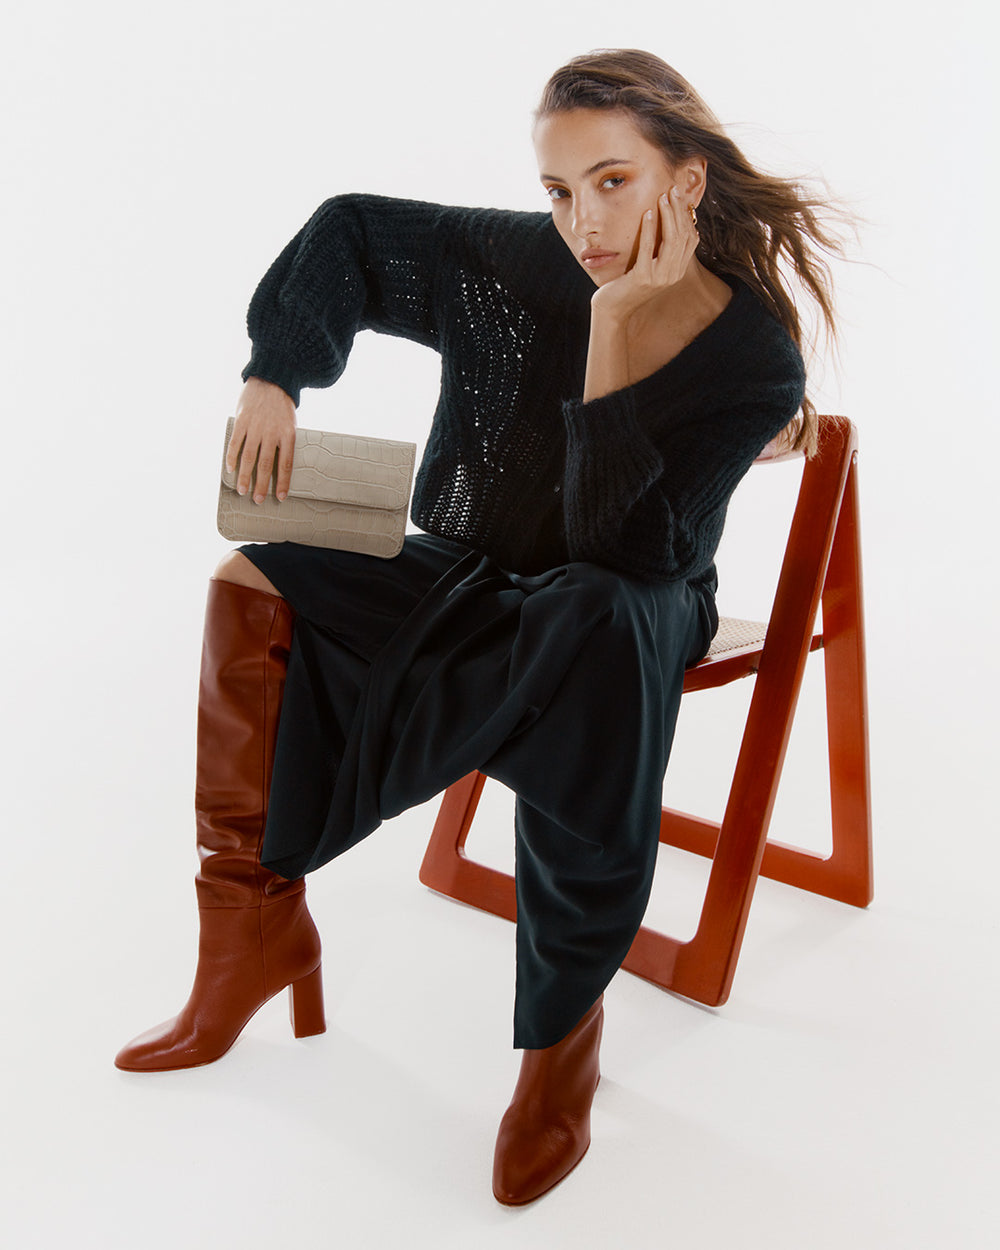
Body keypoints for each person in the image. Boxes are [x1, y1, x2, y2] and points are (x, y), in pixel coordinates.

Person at [114, 49, 843, 1205]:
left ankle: (562, 1042)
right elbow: (353, 230)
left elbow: (625, 551)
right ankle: (249, 933)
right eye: (559, 191)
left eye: (611, 182)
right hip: (478, 570)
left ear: (686, 182)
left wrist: (615, 330)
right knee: (254, 578)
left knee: (585, 624)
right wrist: (276, 376)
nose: (582, 222)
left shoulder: (754, 353)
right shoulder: (516, 259)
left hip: (634, 601)